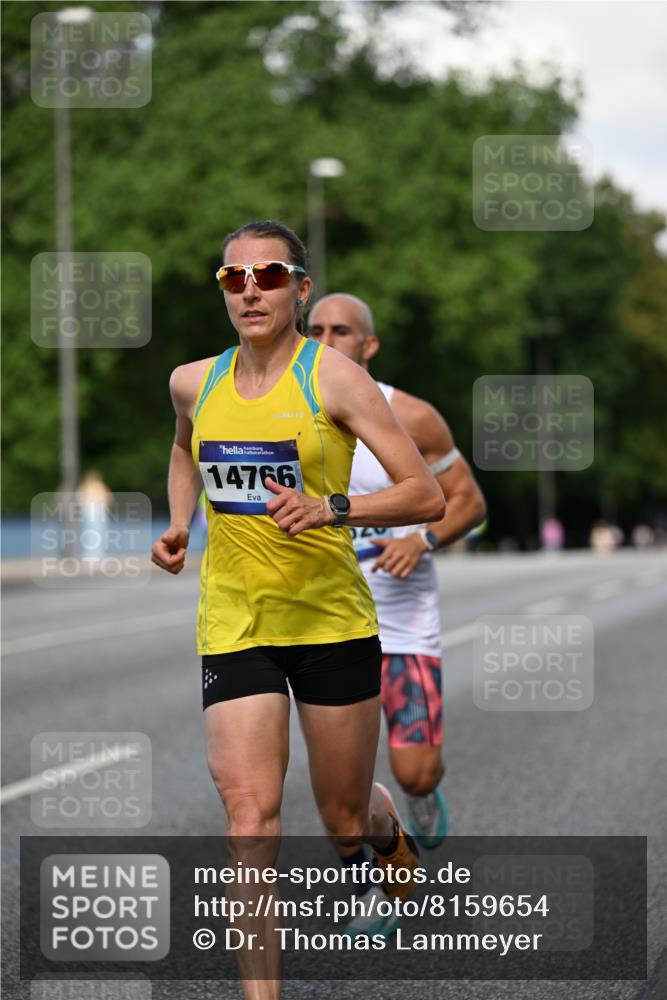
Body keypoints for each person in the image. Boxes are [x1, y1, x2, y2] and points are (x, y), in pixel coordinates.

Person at [151, 221, 445, 999]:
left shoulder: (335, 381)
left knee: (343, 815)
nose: (251, 288)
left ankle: (388, 844)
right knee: (249, 819)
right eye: (234, 277)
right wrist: (182, 521)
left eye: (269, 274)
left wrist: (333, 508)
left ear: (299, 287)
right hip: (235, 622)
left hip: (330, 623)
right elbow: (186, 447)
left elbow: (426, 493)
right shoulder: (193, 381)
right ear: (221, 289)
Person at [307, 293, 486, 937]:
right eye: (316, 328)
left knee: (415, 768)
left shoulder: (411, 415)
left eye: (343, 330)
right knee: (338, 798)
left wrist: (423, 539)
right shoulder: (281, 411)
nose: (327, 339)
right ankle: (382, 870)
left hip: (402, 618)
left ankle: (416, 790)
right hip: (323, 619)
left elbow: (468, 500)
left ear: (369, 346)